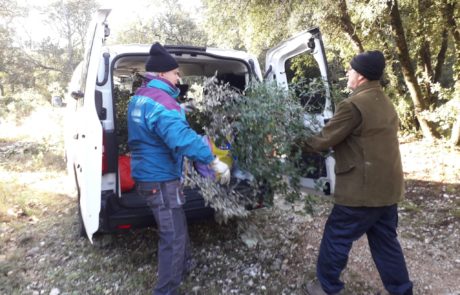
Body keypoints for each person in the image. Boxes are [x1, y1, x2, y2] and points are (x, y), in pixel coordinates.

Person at [301, 50, 413, 295]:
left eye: (351, 69)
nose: (347, 73)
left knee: (336, 237)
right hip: (388, 190)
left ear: (360, 75)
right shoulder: (384, 102)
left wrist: (294, 142)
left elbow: (323, 140)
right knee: (386, 244)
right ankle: (402, 291)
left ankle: (327, 287)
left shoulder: (352, 105)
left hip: (361, 191)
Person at [127, 42, 230, 295]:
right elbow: (181, 139)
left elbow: (153, 126)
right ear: (162, 74)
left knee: (176, 222)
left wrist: (180, 109)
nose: (178, 77)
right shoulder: (163, 103)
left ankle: (183, 265)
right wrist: (212, 159)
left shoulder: (141, 97)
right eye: (175, 73)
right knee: (172, 236)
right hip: (160, 178)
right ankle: (165, 290)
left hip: (149, 173)